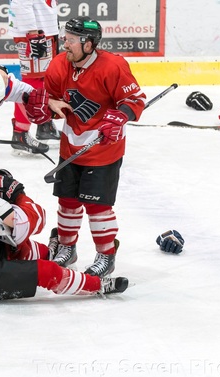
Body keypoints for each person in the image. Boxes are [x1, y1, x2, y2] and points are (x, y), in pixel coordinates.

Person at [26, 17, 147, 277]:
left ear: (89, 44)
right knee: (67, 201)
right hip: (71, 145)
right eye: (65, 38)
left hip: (104, 149)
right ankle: (67, 248)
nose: (64, 44)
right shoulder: (59, 64)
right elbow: (53, 97)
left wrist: (120, 115)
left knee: (97, 206)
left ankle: (106, 254)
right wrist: (49, 106)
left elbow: (135, 99)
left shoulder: (113, 66)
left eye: (70, 40)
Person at [0, 169, 129, 302]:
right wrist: (19, 195)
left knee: (15, 246)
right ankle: (97, 285)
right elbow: (35, 220)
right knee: (45, 270)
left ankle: (51, 253)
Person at [8, 0, 60, 155]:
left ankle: (44, 124)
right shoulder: (33, 34)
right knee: (33, 83)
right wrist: (33, 34)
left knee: (45, 80)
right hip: (34, 34)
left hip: (43, 30)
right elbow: (21, 2)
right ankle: (20, 133)